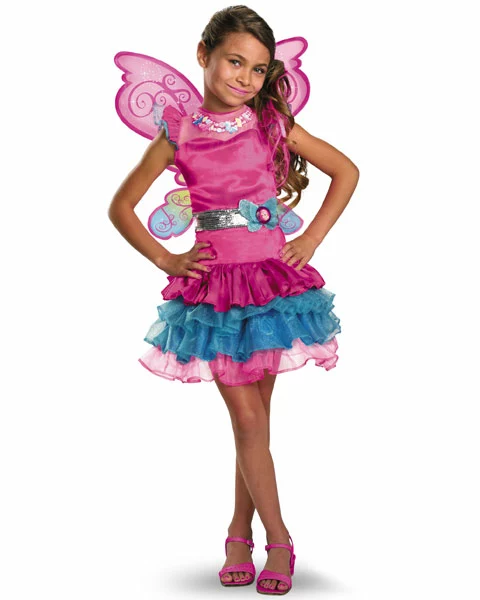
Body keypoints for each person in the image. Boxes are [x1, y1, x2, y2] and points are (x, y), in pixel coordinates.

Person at [108, 5, 359, 595]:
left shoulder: (271, 122)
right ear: (204, 55)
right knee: (248, 420)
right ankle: (281, 539)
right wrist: (167, 259)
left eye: (258, 69)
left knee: (256, 425)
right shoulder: (177, 132)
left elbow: (346, 171)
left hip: (272, 288)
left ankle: (237, 534)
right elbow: (121, 207)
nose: (244, 77)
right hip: (217, 293)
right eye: (234, 62)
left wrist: (311, 239)